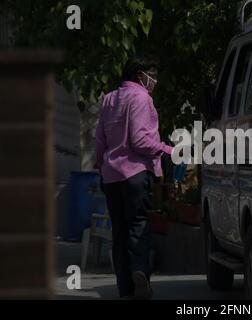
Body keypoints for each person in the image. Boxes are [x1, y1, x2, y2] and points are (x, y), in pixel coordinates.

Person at [95, 54, 173, 299]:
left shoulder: (109, 99)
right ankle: (139, 271)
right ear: (140, 75)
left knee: (118, 231)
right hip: (135, 174)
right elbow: (140, 141)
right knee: (138, 226)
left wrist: (102, 167)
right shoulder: (141, 97)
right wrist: (169, 150)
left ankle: (125, 288)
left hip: (111, 177)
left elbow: (99, 141)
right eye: (153, 75)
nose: (155, 81)